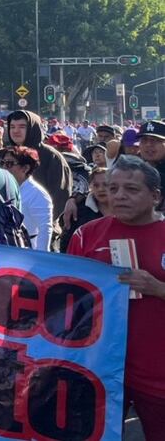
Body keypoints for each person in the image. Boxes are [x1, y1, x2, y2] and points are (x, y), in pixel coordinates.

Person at [67, 156, 165, 438]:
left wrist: (157, 287)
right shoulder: (86, 235)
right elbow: (65, 299)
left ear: (155, 196)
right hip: (101, 370)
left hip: (157, 374)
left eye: (131, 190)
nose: (119, 196)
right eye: (113, 189)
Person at [0, 146, 53, 251]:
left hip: (27, 250)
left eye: (9, 164)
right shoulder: (3, 187)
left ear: (25, 168)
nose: (4, 167)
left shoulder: (38, 194)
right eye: (3, 163)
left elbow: (45, 229)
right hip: (3, 248)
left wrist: (41, 258)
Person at [59, 167, 111, 253]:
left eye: (105, 184)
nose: (100, 189)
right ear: (90, 186)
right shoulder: (78, 210)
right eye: (96, 185)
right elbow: (67, 244)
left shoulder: (124, 209)